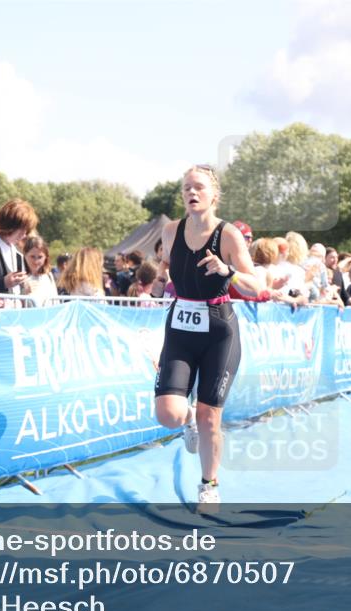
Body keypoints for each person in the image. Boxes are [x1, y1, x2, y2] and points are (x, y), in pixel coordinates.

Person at [153, 165, 264, 510]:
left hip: (219, 330)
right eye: (187, 187)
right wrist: (162, 282)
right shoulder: (171, 231)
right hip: (181, 327)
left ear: (214, 194)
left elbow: (257, 286)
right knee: (169, 414)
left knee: (210, 416)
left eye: (199, 187)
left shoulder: (227, 235)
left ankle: (208, 484)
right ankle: (185, 419)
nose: (192, 192)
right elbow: (168, 269)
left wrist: (228, 272)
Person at [21, 235, 58, 307]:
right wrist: (24, 293)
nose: (36, 261)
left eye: (40, 257)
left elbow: (55, 301)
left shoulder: (49, 276)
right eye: (32, 257)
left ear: (45, 258)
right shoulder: (20, 278)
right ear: (25, 255)